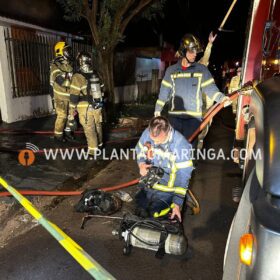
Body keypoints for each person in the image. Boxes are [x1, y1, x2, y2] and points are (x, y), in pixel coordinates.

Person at [154, 34, 230, 146]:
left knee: (188, 153)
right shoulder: (171, 70)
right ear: (183, 51)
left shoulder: (201, 70)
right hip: (174, 119)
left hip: (193, 120)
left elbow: (211, 89)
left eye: (196, 51)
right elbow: (164, 93)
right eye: (191, 51)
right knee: (173, 150)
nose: (195, 54)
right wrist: (157, 110)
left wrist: (222, 98)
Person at [135, 116, 193, 222]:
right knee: (139, 209)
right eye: (153, 140)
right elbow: (139, 150)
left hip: (168, 190)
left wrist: (177, 203)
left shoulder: (181, 146)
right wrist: (141, 164)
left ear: (167, 132)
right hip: (149, 182)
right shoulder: (148, 133)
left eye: (159, 141)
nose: (155, 144)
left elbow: (184, 176)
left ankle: (183, 201)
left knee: (156, 217)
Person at [68, 51, 104, 156]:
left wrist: (71, 113)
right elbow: (102, 89)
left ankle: (93, 151)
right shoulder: (96, 73)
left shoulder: (77, 77)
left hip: (85, 108)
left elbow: (74, 97)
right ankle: (100, 144)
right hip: (97, 106)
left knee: (89, 129)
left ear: (80, 61)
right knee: (98, 125)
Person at [50, 41, 73, 142]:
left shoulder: (68, 65)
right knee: (62, 116)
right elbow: (59, 80)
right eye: (66, 50)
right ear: (60, 51)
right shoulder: (56, 65)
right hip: (60, 96)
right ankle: (58, 136)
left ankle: (67, 132)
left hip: (69, 95)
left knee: (70, 115)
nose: (68, 52)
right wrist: (73, 84)